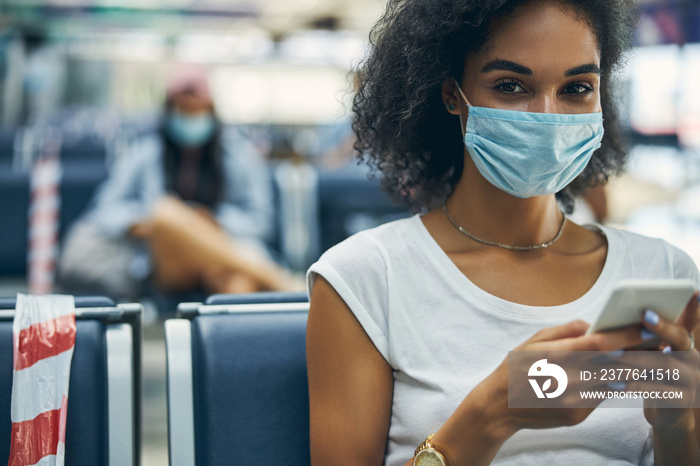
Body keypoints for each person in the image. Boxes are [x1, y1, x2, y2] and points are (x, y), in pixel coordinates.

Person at [305, 1, 700, 465]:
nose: (548, 116)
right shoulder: (365, 280)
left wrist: (679, 424)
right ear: (452, 94)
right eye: (510, 86)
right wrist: (494, 411)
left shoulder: (661, 274)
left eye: (577, 87)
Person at [60, 66, 301, 300]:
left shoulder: (238, 156)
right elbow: (105, 210)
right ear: (169, 110)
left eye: (197, 110)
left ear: (210, 110)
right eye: (182, 109)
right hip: (164, 261)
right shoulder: (144, 153)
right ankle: (281, 280)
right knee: (166, 213)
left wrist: (212, 220)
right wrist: (140, 223)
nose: (190, 116)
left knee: (238, 284)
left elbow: (259, 220)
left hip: (222, 256)